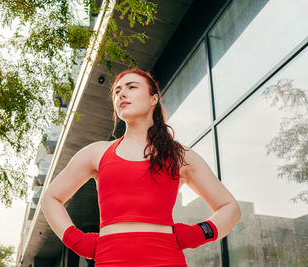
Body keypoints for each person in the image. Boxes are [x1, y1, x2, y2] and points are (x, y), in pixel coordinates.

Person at [41, 67, 241, 266]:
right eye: (117, 91)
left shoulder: (180, 155)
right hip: (110, 259)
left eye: (131, 87)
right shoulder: (96, 152)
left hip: (166, 259)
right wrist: (77, 241)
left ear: (153, 99)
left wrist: (195, 234)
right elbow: (51, 198)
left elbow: (230, 208)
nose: (122, 94)